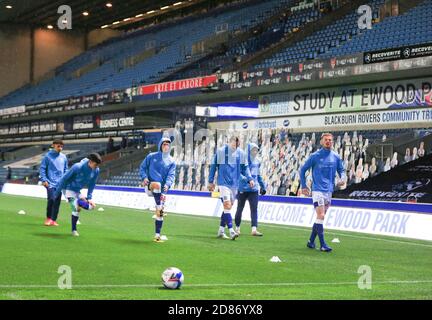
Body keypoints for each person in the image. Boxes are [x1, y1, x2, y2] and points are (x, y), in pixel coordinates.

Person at [300, 133, 345, 252]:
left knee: (319, 217)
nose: (328, 142)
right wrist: (304, 185)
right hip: (317, 190)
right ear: (321, 142)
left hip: (329, 191)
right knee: (321, 215)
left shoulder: (336, 157)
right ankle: (323, 244)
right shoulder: (315, 156)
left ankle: (310, 241)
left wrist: (343, 178)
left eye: (330, 140)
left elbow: (342, 170)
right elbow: (303, 169)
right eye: (326, 140)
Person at [208, 135, 254, 240]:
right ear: (229, 142)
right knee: (227, 205)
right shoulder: (221, 152)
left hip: (235, 185)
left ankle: (221, 230)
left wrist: (250, 178)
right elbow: (213, 165)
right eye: (233, 143)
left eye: (237, 144)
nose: (235, 146)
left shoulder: (241, 154)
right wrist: (211, 181)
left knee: (227, 208)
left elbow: (245, 168)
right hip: (223, 183)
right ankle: (231, 231)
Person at [54, 153, 102, 237]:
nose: (97, 166)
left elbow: (92, 184)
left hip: (77, 191)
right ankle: (74, 230)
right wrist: (57, 192)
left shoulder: (96, 170)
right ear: (90, 162)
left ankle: (78, 202)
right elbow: (64, 179)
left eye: (98, 165)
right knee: (75, 209)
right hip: (67, 189)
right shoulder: (77, 167)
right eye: (95, 164)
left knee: (91, 207)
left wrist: (89, 198)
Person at [139, 137, 176, 243]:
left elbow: (171, 175)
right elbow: (142, 168)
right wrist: (144, 177)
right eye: (164, 144)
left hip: (162, 191)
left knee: (159, 213)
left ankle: (157, 236)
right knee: (157, 185)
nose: (166, 146)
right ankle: (159, 206)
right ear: (160, 145)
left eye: (168, 145)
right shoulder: (151, 156)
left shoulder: (172, 161)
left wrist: (168, 185)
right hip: (150, 185)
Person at [234, 143, 266, 237]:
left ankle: (254, 229)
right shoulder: (242, 160)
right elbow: (238, 174)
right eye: (253, 150)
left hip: (254, 189)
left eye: (256, 150)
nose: (255, 152)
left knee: (254, 209)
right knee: (240, 208)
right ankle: (237, 228)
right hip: (243, 188)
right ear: (249, 150)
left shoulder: (257, 161)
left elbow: (258, 175)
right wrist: (247, 180)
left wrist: (263, 186)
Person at [39, 140, 68, 226]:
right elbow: (42, 169)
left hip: (60, 183)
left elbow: (66, 169)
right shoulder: (47, 156)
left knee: (57, 202)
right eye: (58, 146)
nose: (60, 148)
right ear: (53, 146)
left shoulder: (64, 157)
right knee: (51, 199)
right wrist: (44, 180)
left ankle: (53, 220)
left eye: (61, 147)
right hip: (50, 183)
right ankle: (48, 218)